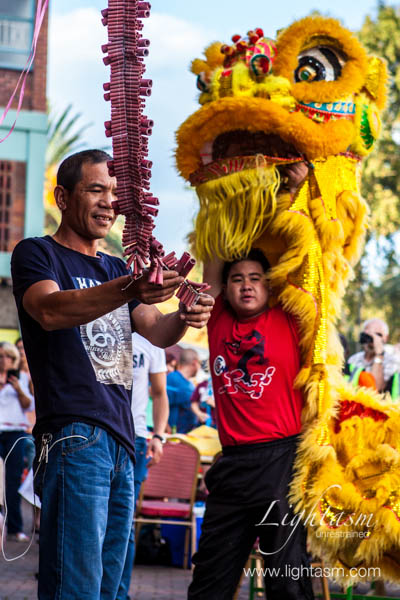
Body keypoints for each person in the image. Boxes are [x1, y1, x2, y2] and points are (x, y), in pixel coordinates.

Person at [11, 149, 213, 600]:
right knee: (76, 588)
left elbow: (159, 331)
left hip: (126, 442)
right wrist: (129, 287)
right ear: (63, 197)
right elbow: (48, 310)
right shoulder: (36, 253)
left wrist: (185, 312)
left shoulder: (118, 266)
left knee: (111, 591)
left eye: (117, 193)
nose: (109, 202)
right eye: (96, 189)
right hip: (74, 436)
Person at [118, 332, 169, 599]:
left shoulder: (151, 339)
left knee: (124, 523)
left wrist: (158, 436)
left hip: (134, 439)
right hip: (95, 432)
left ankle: (118, 594)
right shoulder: (97, 320)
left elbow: (160, 394)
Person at [0, 341, 34, 542]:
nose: (4, 360)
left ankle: (15, 527)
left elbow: (29, 406)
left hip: (15, 432)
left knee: (13, 480)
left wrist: (17, 388)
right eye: (1, 356)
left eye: (7, 356)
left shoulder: (21, 378)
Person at [347, 318, 400, 397]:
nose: (372, 339)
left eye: (377, 335)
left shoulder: (392, 361)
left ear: (386, 338)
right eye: (368, 335)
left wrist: (379, 354)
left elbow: (376, 389)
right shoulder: (354, 359)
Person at [167, 348, 200, 433]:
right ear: (195, 363)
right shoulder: (172, 378)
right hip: (172, 436)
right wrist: (165, 427)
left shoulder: (191, 385)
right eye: (200, 364)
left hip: (185, 435)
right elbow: (157, 402)